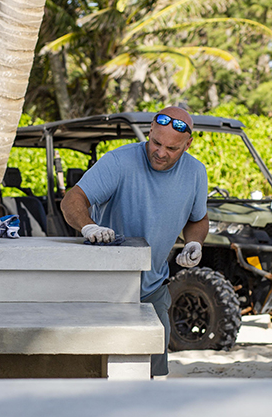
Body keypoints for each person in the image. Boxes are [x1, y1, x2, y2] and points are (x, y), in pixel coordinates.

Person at [60, 106, 209, 377]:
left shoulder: (196, 173)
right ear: (150, 130)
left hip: (153, 290)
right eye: (156, 142)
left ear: (188, 144)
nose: (160, 152)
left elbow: (198, 218)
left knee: (153, 377)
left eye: (172, 148)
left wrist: (194, 243)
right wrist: (88, 225)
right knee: (98, 373)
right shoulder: (120, 161)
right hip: (106, 290)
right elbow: (72, 200)